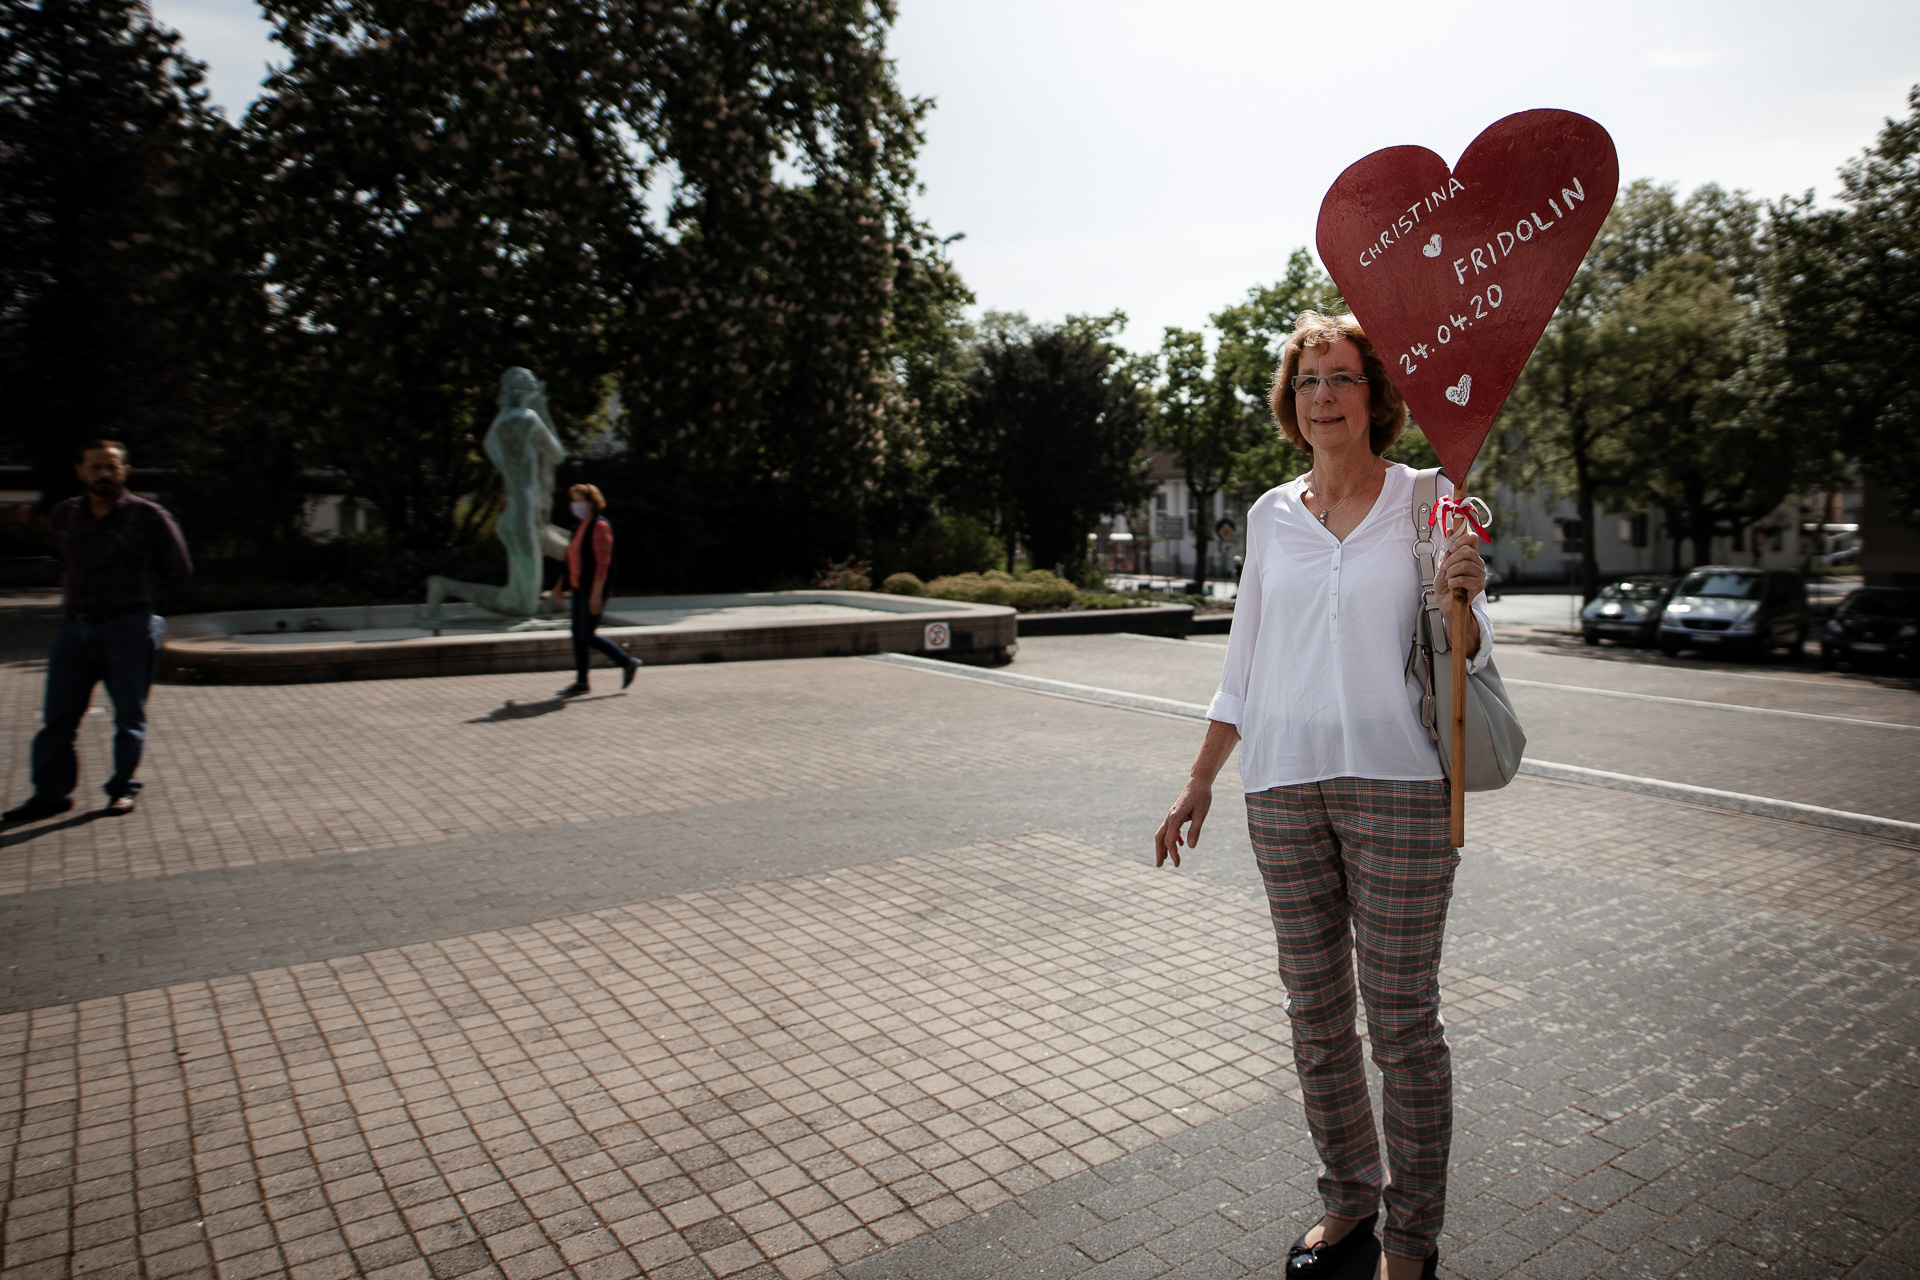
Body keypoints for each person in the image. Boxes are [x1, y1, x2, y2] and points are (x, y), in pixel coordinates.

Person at [1153, 312, 1491, 1280]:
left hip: (1402, 787)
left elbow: (1467, 654)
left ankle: (1412, 1234)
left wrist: (1466, 594)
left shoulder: (1430, 498)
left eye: (1342, 377)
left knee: (1400, 1019)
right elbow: (1245, 657)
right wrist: (1201, 776)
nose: (1325, 395)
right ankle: (1348, 1194)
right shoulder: (1271, 513)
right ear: (1289, 401)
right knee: (1313, 1012)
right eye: (1308, 381)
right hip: (1283, 789)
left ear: (1375, 394)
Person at [3, 440, 192, 824]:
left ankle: (123, 789)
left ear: (125, 471)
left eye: (111, 467)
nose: (104, 474)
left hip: (127, 628)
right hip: (74, 631)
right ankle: (51, 795)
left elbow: (178, 567)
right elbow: (63, 558)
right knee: (57, 717)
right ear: (80, 471)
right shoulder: (66, 515)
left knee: (128, 716)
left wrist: (140, 601)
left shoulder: (149, 516)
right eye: (96, 467)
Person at [554, 483, 640, 696]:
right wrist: (560, 585)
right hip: (578, 587)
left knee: (587, 634)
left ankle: (628, 662)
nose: (575, 505)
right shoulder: (578, 527)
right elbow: (571, 560)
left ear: (591, 502)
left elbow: (603, 563)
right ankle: (582, 682)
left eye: (578, 500)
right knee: (577, 634)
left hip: (594, 589)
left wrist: (596, 594)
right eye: (573, 500)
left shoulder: (600, 526)